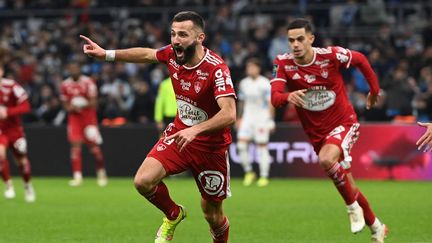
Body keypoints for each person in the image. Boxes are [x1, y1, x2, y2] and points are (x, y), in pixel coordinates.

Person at [81, 11, 236, 243]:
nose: (175, 40)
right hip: (178, 135)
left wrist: (195, 130)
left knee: (212, 215)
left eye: (183, 34)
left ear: (200, 37)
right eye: (173, 34)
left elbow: (229, 114)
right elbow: (147, 54)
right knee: (142, 181)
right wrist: (107, 54)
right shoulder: (172, 55)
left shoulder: (217, 69)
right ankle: (173, 214)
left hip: (210, 148)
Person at [270, 18, 388, 243]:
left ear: (311, 39)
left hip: (344, 122)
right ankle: (377, 227)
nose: (295, 45)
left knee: (326, 160)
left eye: (300, 39)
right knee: (348, 184)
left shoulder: (330, 55)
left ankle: (352, 208)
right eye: (291, 40)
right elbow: (275, 98)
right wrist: (287, 96)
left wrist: (374, 90)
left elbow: (361, 59)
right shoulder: (283, 63)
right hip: (316, 133)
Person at [60, 61, 108, 187]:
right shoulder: (65, 85)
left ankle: (101, 173)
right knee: (75, 146)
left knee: (94, 148)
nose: (73, 70)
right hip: (74, 119)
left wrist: (81, 104)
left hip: (88, 119)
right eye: (71, 68)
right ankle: (77, 177)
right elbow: (65, 104)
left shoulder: (88, 82)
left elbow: (94, 102)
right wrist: (71, 107)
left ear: (79, 69)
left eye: (75, 68)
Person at [236, 58, 274, 187]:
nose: (250, 70)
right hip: (247, 118)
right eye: (248, 67)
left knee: (261, 146)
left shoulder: (265, 83)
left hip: (261, 119)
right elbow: (241, 102)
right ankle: (249, 172)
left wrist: (270, 120)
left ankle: (264, 176)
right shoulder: (244, 83)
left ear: (258, 68)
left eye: (252, 67)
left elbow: (270, 103)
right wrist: (239, 118)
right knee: (241, 146)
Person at [0, 64, 36, 202]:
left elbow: (26, 106)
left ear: (2, 71)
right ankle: (8, 185)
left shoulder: (11, 86)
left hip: (15, 129)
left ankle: (27, 185)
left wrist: (7, 112)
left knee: (22, 161)